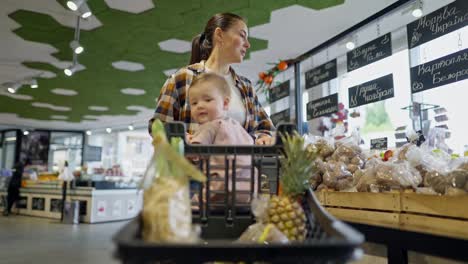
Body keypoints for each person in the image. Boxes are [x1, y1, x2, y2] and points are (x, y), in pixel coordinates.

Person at [150, 13, 275, 145]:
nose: (248, 45)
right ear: (220, 34)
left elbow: (266, 128)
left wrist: (263, 138)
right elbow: (158, 125)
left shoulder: (246, 87)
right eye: (242, 35)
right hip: (193, 165)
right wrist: (182, 138)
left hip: (239, 165)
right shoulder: (183, 78)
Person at [187, 73, 256, 203]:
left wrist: (186, 140)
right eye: (194, 103)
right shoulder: (237, 127)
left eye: (207, 100)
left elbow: (194, 153)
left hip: (218, 189)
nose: (200, 105)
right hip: (247, 191)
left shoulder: (210, 126)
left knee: (191, 209)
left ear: (225, 103)